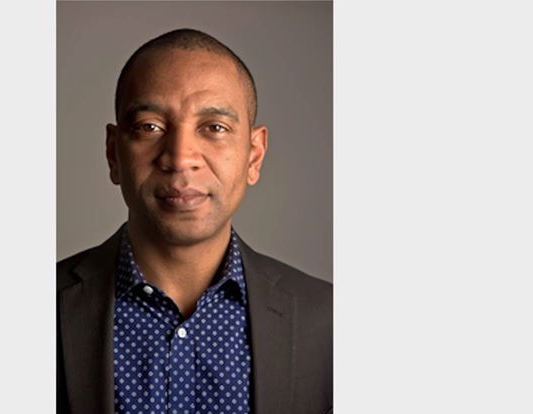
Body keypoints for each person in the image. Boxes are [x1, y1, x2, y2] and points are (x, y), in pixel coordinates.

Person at [57, 28, 332, 414]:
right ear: (113, 153)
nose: (180, 157)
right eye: (150, 127)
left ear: (254, 156)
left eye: (215, 128)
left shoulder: (329, 321)